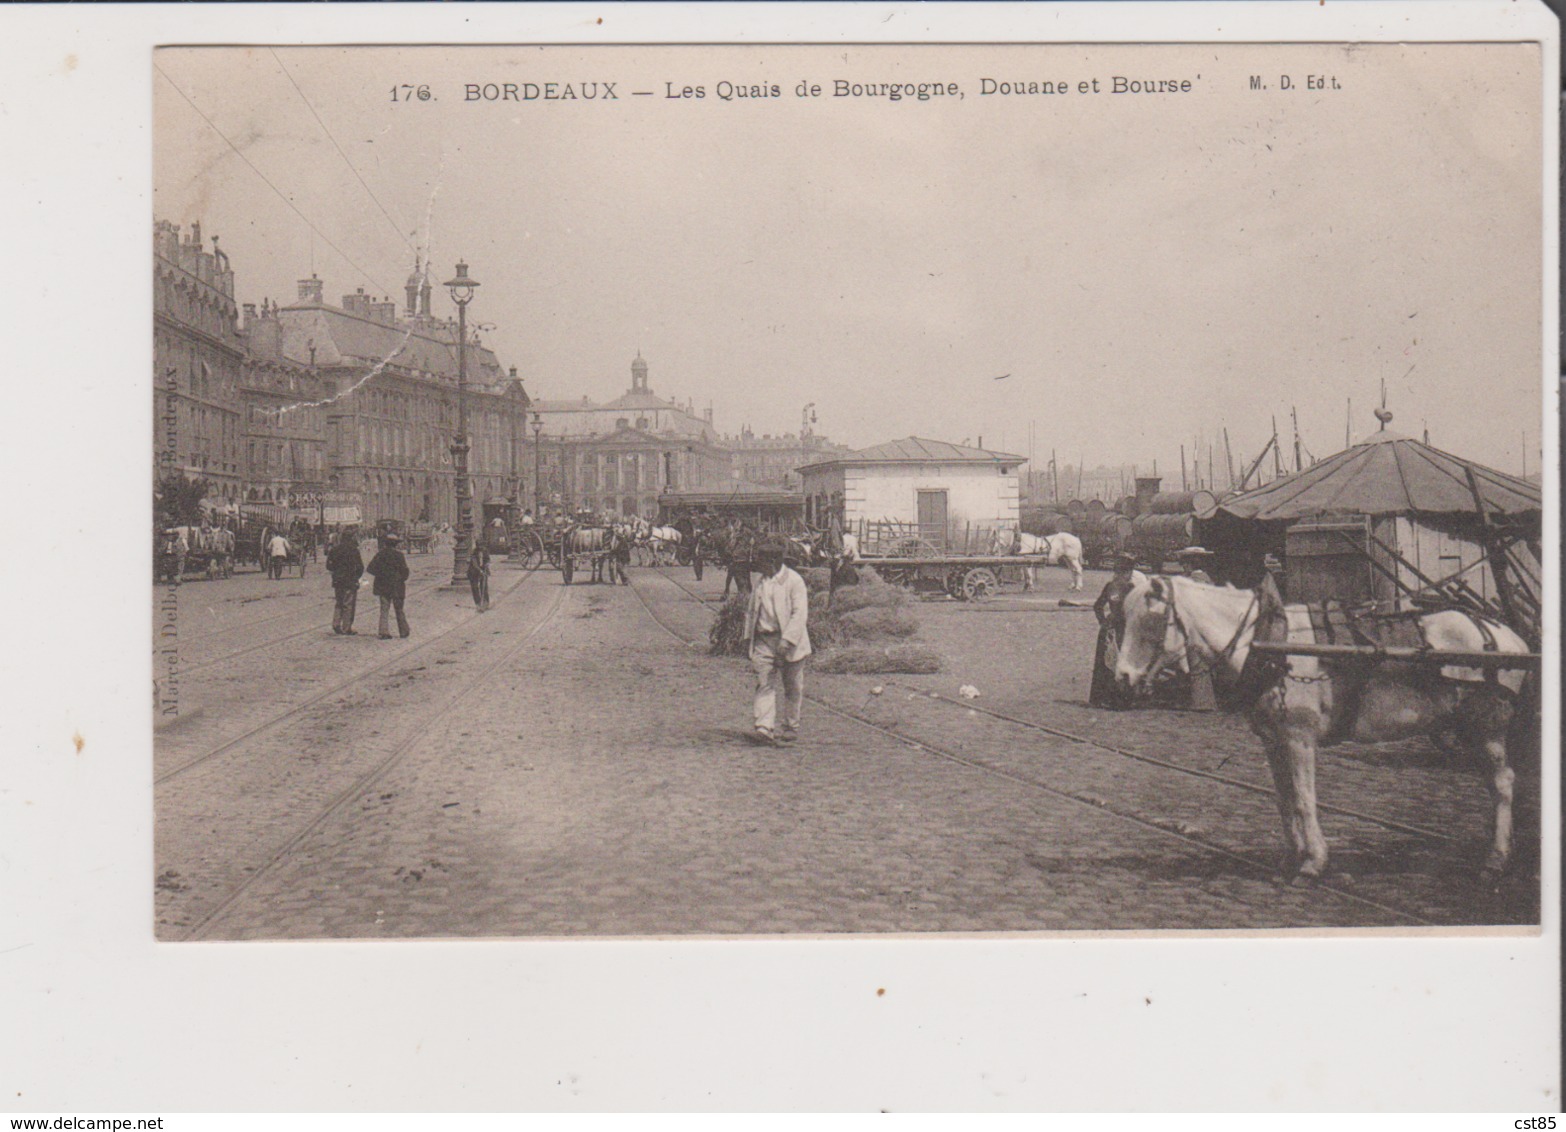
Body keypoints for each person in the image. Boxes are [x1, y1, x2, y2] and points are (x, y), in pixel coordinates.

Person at [742, 540, 812, 746]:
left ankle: (790, 726)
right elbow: (752, 610)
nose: (757, 565)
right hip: (764, 639)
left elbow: (800, 614)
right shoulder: (760, 581)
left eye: (760, 561)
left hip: (791, 640)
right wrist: (748, 638)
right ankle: (764, 728)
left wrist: (787, 640)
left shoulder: (794, 581)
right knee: (764, 683)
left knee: (793, 686)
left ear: (773, 562)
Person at [1089, 553, 1145, 709]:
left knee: (1106, 664)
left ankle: (1102, 697)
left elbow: (1097, 606)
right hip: (1124, 630)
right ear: (1128, 573)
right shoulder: (1131, 588)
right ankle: (1123, 700)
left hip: (1109, 630)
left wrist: (1103, 622)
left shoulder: (1110, 586)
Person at [367, 532, 411, 638]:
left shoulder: (380, 554)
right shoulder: (399, 555)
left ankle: (384, 631)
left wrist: (380, 575)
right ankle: (403, 631)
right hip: (396, 585)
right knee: (399, 608)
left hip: (383, 585)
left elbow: (370, 568)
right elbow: (405, 571)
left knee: (384, 609)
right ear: (395, 544)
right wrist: (401, 579)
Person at [326, 529, 364, 634]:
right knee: (348, 603)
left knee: (339, 602)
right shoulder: (354, 550)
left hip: (338, 580)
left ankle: (336, 624)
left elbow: (328, 565)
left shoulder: (335, 549)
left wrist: (335, 572)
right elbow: (360, 567)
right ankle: (346, 627)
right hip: (350, 580)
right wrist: (356, 576)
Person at [467, 540, 491, 611]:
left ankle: (485, 602)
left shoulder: (485, 551)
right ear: (477, 547)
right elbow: (474, 564)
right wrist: (480, 571)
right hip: (474, 571)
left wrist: (487, 564)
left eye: (482, 547)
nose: (481, 548)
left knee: (484, 586)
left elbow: (488, 560)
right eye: (480, 547)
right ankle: (478, 603)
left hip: (483, 570)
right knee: (475, 587)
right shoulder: (474, 553)